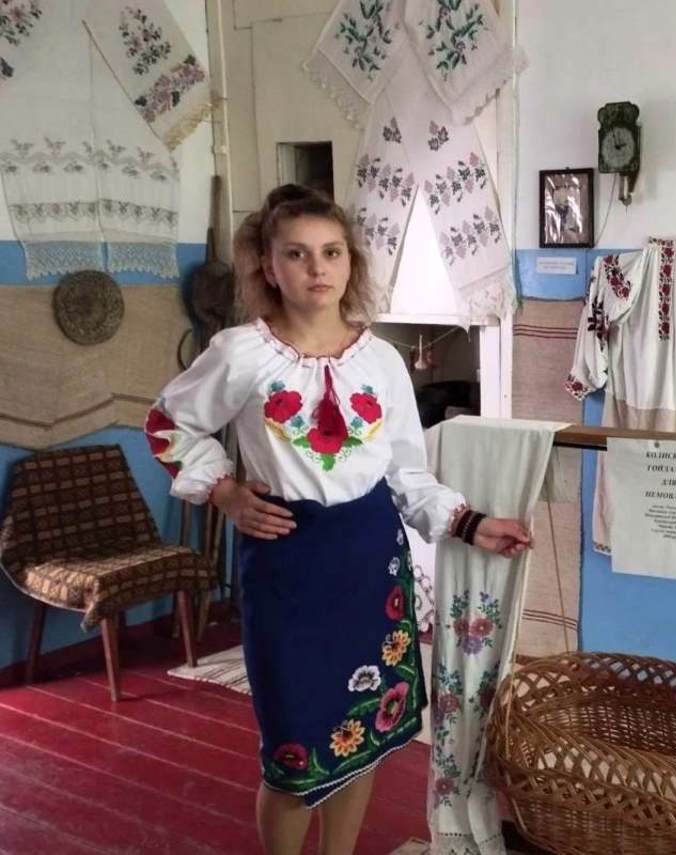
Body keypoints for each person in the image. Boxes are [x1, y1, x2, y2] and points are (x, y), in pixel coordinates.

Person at [144, 184, 531, 855]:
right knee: (294, 753)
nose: (316, 267)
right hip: (287, 565)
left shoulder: (380, 361)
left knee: (364, 735)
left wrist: (470, 523)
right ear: (269, 267)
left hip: (369, 566)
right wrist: (225, 490)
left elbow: (405, 471)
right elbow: (168, 422)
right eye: (296, 253)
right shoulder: (241, 353)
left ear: (351, 261)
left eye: (330, 252)